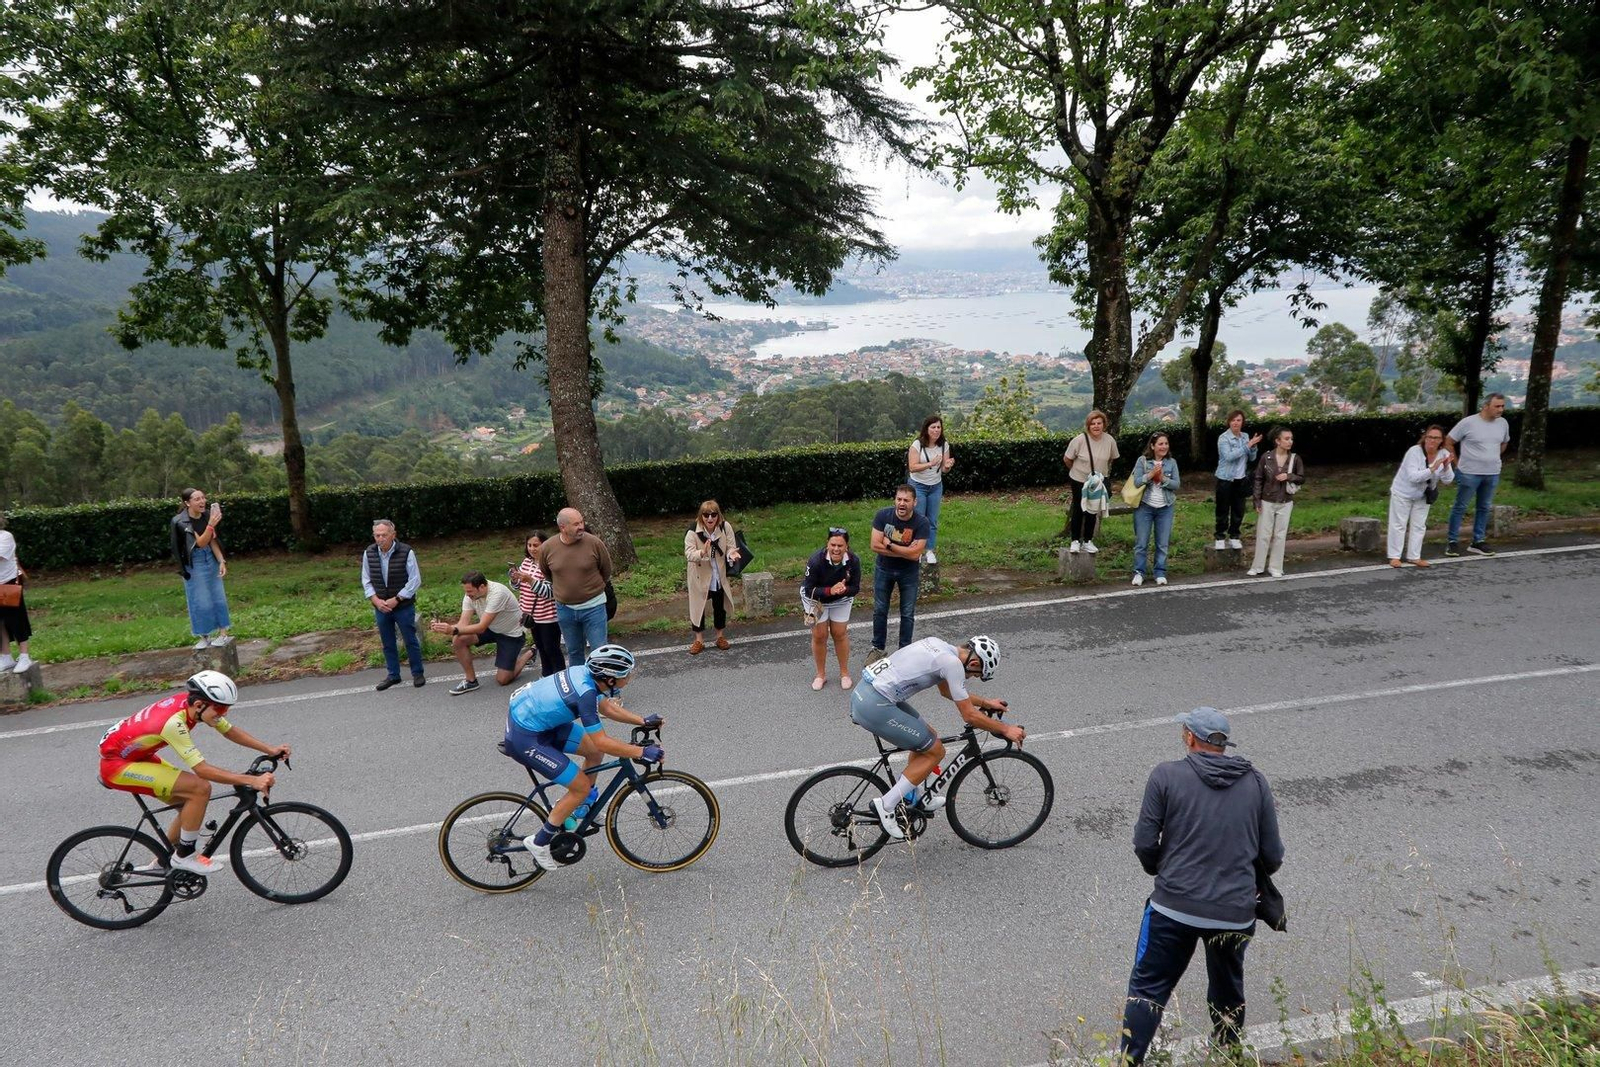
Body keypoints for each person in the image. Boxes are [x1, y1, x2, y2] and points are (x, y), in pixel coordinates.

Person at [1117, 707, 1284, 1066]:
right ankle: (1229, 1053)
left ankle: (1130, 1061)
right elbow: (1273, 855)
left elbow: (1145, 843)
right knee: (1228, 989)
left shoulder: (1165, 775)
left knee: (1147, 989)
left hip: (1172, 908)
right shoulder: (1255, 782)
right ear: (1223, 744)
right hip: (1234, 913)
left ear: (1190, 737)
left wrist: (1161, 870)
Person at [97, 670, 290, 876]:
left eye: (226, 708)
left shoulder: (194, 705)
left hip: (137, 757)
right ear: (199, 705)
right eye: (220, 709)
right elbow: (202, 770)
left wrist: (269, 749)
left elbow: (229, 730)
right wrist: (252, 780)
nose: (224, 714)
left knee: (189, 804)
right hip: (118, 766)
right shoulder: (174, 724)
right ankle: (184, 855)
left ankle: (164, 860)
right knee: (199, 788)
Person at [501, 644, 663, 871]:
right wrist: (641, 752)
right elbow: (602, 740)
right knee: (581, 787)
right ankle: (539, 842)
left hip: (539, 723)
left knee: (594, 752)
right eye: (625, 675)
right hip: (526, 738)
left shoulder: (586, 674)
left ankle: (582, 808)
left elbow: (607, 709)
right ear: (610, 679)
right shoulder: (586, 694)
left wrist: (642, 721)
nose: (629, 678)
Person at [849, 634, 1020, 839]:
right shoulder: (953, 665)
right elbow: (969, 716)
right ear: (974, 663)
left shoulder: (938, 645)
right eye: (975, 675)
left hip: (866, 693)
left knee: (928, 737)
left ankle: (915, 796)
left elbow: (947, 691)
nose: (970, 678)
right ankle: (886, 805)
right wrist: (1005, 729)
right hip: (875, 704)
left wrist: (985, 703)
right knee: (936, 751)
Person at [430, 571, 527, 695]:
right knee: (458, 639)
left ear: (482, 587)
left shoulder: (498, 593)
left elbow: (481, 627)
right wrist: (444, 628)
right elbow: (462, 624)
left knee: (503, 679)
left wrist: (453, 629)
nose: (467, 595)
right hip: (491, 628)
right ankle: (471, 681)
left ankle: (530, 653)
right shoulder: (470, 596)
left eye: (470, 591)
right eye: (466, 591)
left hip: (510, 633)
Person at [540, 507, 613, 667]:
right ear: (562, 527)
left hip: (594, 607)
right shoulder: (548, 547)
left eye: (581, 522)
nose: (581, 526)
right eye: (576, 524)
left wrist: (592, 589)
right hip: (565, 610)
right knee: (574, 651)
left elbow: (606, 570)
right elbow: (547, 573)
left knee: (599, 651)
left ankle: (602, 682)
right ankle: (578, 681)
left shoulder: (594, 543)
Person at [1445, 393, 1511, 557]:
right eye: (1497, 406)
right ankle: (1452, 541)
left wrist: (1492, 456)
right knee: (1460, 507)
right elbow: (1449, 442)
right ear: (1486, 406)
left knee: (1484, 507)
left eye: (1502, 406)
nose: (1500, 409)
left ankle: (1478, 541)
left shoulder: (1503, 423)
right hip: (1469, 473)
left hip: (1492, 472)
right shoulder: (1468, 423)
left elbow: (1504, 442)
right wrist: (1457, 464)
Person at [869, 485, 930, 661]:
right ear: (895, 500)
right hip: (884, 569)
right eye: (899, 499)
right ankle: (877, 649)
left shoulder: (922, 522)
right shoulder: (883, 516)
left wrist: (889, 544)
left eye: (906, 500)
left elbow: (915, 555)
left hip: (908, 573)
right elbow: (874, 545)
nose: (902, 503)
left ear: (914, 502)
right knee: (880, 610)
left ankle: (905, 652)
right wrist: (906, 552)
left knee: (907, 613)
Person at [363, 518, 425, 691]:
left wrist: (397, 599)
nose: (380, 539)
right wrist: (375, 600)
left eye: (384, 535)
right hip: (381, 606)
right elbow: (366, 580)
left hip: (403, 605)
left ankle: (417, 672)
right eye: (377, 535)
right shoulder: (369, 553)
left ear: (393, 535)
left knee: (410, 639)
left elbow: (415, 580)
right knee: (387, 641)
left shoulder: (406, 551)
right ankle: (393, 675)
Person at [169, 488, 232, 650]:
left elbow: (211, 542)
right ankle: (204, 636)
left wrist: (221, 561)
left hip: (210, 557)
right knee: (199, 599)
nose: (202, 501)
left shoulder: (207, 515)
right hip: (194, 561)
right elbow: (201, 543)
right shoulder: (181, 522)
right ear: (187, 503)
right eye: (197, 499)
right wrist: (211, 525)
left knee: (218, 596)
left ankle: (223, 634)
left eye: (203, 498)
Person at [801, 526, 862, 691]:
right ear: (827, 544)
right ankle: (820, 675)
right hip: (815, 599)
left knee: (839, 633)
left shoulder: (854, 561)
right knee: (819, 635)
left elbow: (855, 588)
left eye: (840, 546)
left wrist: (843, 590)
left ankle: (844, 674)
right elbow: (808, 590)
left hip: (841, 599)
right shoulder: (815, 561)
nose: (836, 549)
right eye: (833, 545)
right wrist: (830, 590)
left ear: (846, 547)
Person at [1388, 426, 1457, 568]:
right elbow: (1413, 477)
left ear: (1441, 440)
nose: (1432, 440)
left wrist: (1445, 467)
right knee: (1399, 524)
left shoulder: (1443, 453)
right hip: (1403, 492)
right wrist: (1432, 468)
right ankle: (1394, 556)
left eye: (1436, 438)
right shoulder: (1414, 452)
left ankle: (1414, 556)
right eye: (1430, 437)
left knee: (1419, 525)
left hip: (1423, 494)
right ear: (1425, 438)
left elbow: (1448, 480)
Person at [684, 499, 742, 655]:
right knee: (698, 607)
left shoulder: (725, 527)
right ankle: (698, 640)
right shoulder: (692, 531)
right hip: (699, 575)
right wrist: (702, 552)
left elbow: (730, 546)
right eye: (706, 515)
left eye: (713, 515)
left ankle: (720, 637)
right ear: (701, 516)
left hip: (718, 574)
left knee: (720, 606)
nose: (710, 518)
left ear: (718, 515)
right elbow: (689, 554)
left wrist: (732, 553)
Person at [1247, 427, 1303, 578]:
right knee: (1263, 534)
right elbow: (1258, 479)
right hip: (1267, 500)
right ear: (1277, 441)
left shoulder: (1295, 459)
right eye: (1286, 439)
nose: (1290, 441)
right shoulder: (1266, 457)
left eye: (1291, 438)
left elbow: (1301, 478)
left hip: (1286, 501)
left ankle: (1276, 567)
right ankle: (1257, 566)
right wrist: (1257, 500)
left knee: (1280, 535)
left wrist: (1289, 476)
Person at [1063, 409, 1120, 554]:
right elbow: (1067, 459)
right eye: (1093, 423)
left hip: (1098, 481)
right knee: (1079, 509)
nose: (1096, 426)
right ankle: (1075, 540)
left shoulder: (1110, 440)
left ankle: (1088, 540)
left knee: (1092, 510)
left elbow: (1112, 458)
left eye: (1099, 423)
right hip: (1080, 479)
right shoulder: (1079, 440)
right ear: (1088, 425)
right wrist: (1079, 471)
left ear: (1104, 424)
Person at [1130, 433, 1180, 587]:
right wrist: (1150, 475)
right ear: (1152, 446)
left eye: (1166, 443)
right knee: (1141, 542)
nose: (1164, 447)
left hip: (1165, 507)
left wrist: (1163, 478)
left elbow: (1176, 484)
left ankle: (1160, 572)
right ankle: (1139, 572)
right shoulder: (1142, 461)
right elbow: (1137, 482)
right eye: (1160, 444)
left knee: (1162, 543)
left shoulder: (1171, 462)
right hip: (1145, 506)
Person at [511, 532, 564, 677]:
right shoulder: (526, 562)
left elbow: (550, 592)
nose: (532, 549)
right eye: (529, 545)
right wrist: (515, 579)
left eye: (536, 545)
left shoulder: (549, 564)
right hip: (531, 616)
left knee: (551, 648)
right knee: (541, 648)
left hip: (548, 616)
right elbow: (519, 587)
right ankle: (546, 675)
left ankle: (560, 676)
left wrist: (530, 580)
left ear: (544, 545)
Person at [907, 414, 954, 564]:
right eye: (933, 427)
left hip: (935, 486)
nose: (936, 430)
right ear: (926, 429)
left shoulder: (944, 445)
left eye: (939, 427)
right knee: (919, 519)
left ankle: (929, 550)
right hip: (918, 486)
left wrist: (947, 466)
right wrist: (930, 464)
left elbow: (944, 469)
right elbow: (912, 467)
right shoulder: (917, 445)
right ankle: (916, 551)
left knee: (932, 520)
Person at [1213, 411, 1262, 551]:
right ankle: (1220, 537)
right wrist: (1248, 445)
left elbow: (1252, 458)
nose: (1236, 423)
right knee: (1222, 509)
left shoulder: (1245, 436)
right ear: (1229, 422)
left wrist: (1253, 447)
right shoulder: (1224, 438)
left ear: (1242, 422)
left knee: (1238, 509)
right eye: (1233, 420)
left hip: (1241, 479)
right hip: (1225, 479)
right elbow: (1229, 456)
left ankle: (1234, 536)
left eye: (1239, 420)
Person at [0, 511, 34, 675]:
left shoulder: (5, 537)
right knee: (0, 622)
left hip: (8, 582)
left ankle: (24, 656)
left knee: (16, 619)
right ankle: (6, 656)